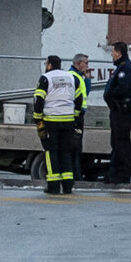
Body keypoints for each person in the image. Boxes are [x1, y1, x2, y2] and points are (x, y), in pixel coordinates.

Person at [33, 53, 79, 194]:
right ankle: (67, 185)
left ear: (49, 65)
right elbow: (79, 98)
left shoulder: (46, 78)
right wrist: (76, 117)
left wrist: (38, 120)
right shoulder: (71, 77)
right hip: (68, 120)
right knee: (65, 151)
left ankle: (53, 186)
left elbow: (39, 100)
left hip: (51, 120)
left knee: (51, 151)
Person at [104, 41, 131, 185]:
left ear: (118, 53)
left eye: (113, 52)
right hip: (118, 109)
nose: (111, 54)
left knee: (121, 143)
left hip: (123, 109)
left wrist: (111, 93)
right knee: (116, 142)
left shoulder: (125, 68)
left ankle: (122, 174)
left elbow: (123, 88)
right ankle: (115, 172)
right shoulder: (121, 67)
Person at [71, 53, 93, 181]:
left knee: (77, 146)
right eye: (86, 63)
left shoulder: (79, 76)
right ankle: (75, 175)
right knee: (75, 146)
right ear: (78, 63)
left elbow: (85, 93)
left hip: (79, 115)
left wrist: (88, 80)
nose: (87, 66)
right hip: (75, 116)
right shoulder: (73, 77)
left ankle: (76, 174)